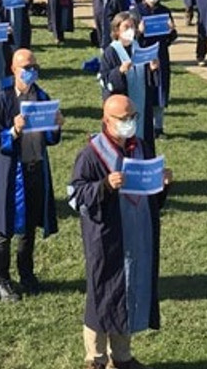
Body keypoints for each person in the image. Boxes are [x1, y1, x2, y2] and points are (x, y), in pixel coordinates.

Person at [69, 94, 173, 369]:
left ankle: (122, 356)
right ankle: (96, 358)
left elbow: (151, 197)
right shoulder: (91, 154)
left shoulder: (141, 148)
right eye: (123, 118)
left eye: (133, 117)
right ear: (107, 120)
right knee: (102, 296)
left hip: (137, 234)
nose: (129, 123)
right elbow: (75, 196)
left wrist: (162, 184)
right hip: (107, 238)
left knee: (128, 293)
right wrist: (103, 185)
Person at [0, 49, 64, 302]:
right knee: (4, 228)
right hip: (10, 172)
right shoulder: (2, 99)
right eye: (25, 67)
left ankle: (26, 274)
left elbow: (51, 140)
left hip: (35, 168)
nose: (30, 71)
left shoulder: (41, 96)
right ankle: (2, 279)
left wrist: (55, 125)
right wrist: (14, 131)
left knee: (29, 227)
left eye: (33, 66)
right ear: (13, 69)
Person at [98, 11, 160, 158]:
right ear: (117, 31)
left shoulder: (139, 48)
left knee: (143, 136)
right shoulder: (111, 52)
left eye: (132, 27)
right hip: (123, 105)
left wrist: (152, 69)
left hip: (142, 103)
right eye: (126, 27)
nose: (130, 30)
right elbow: (105, 80)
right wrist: (119, 71)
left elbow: (149, 79)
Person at [135, 0, 178, 139]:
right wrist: (139, 32)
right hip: (143, 57)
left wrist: (172, 31)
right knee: (145, 92)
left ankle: (158, 128)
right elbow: (130, 40)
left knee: (161, 91)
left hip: (161, 55)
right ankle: (144, 127)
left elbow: (170, 38)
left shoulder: (164, 11)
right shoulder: (136, 12)